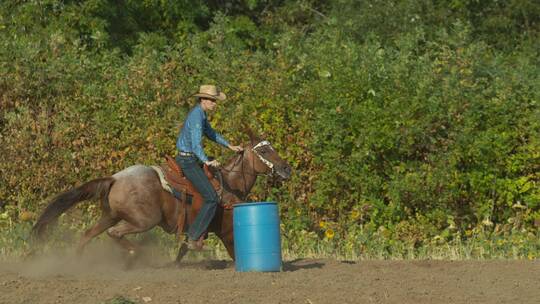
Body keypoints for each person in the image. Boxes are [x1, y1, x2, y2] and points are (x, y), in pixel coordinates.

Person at [175, 85, 243, 250]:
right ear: (203, 100)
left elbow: (212, 134)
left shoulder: (201, 114)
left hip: (191, 158)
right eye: (212, 100)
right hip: (188, 161)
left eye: (215, 100)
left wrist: (230, 146)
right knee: (212, 198)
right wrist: (207, 161)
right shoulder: (197, 117)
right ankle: (193, 237)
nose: (215, 104)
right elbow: (197, 144)